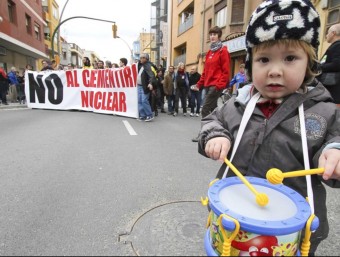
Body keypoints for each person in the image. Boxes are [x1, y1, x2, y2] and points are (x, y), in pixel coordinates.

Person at [198, 0, 340, 255]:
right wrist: (215, 135)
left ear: (309, 63)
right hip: (236, 221)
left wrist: (334, 153)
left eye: (290, 58)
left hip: (289, 232)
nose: (275, 70)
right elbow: (212, 119)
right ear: (251, 65)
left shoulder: (324, 111)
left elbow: (334, 140)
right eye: (264, 59)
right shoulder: (238, 103)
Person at [192, 26, 231, 141]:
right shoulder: (210, 52)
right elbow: (205, 71)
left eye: (215, 34)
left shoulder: (223, 51)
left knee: (205, 109)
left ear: (219, 36)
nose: (212, 36)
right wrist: (199, 84)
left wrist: (219, 85)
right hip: (208, 85)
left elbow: (226, 71)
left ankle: (203, 134)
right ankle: (219, 131)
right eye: (211, 34)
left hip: (216, 85)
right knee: (214, 111)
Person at [318, 23, 340, 106]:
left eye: (327, 33)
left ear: (333, 33)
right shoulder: (335, 45)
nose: (326, 35)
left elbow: (337, 64)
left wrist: (319, 67)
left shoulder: (338, 45)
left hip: (333, 90)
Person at [137, 53, 155, 122]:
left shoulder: (147, 65)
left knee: (144, 101)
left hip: (145, 87)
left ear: (146, 59)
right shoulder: (142, 65)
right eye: (140, 57)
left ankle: (149, 115)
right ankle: (142, 115)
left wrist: (150, 83)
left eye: (142, 58)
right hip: (139, 86)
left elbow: (151, 76)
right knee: (140, 101)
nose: (140, 59)